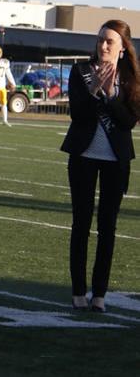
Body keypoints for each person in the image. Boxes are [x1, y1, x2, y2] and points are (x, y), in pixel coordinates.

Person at [61, 19, 140, 313]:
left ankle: (100, 295)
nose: (103, 46)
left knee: (108, 227)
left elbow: (128, 120)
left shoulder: (131, 77)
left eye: (110, 41)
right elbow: (77, 114)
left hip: (115, 161)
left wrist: (109, 94)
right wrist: (94, 89)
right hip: (83, 156)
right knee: (81, 223)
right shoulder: (81, 71)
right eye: (100, 40)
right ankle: (78, 291)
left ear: (122, 48)